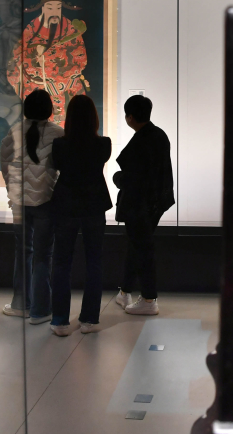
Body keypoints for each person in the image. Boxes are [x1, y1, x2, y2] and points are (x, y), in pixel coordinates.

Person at [49, 95, 111, 336]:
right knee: (94, 261)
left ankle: (60, 320)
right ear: (94, 118)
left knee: (62, 262)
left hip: (66, 203)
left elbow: (58, 166)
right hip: (94, 203)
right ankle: (89, 319)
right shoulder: (103, 144)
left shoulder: (60, 145)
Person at [0, 89, 63, 323]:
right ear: (49, 110)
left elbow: (5, 164)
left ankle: (21, 304)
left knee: (23, 252)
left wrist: (13, 190)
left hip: (19, 203)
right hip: (46, 201)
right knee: (43, 255)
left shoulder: (15, 130)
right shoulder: (58, 133)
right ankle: (40, 309)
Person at [113, 95, 175, 316]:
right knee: (137, 245)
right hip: (155, 202)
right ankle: (125, 291)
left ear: (130, 117)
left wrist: (117, 178)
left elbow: (134, 178)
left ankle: (149, 298)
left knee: (142, 248)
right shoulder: (159, 135)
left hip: (140, 203)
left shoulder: (141, 141)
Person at [6, 0, 89, 124]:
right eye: (50, 8)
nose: (54, 12)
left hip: (65, 85)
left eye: (58, 8)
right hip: (35, 86)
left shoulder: (70, 30)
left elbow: (80, 58)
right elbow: (18, 54)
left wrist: (54, 70)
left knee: (68, 120)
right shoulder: (31, 29)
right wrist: (35, 54)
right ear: (43, 8)